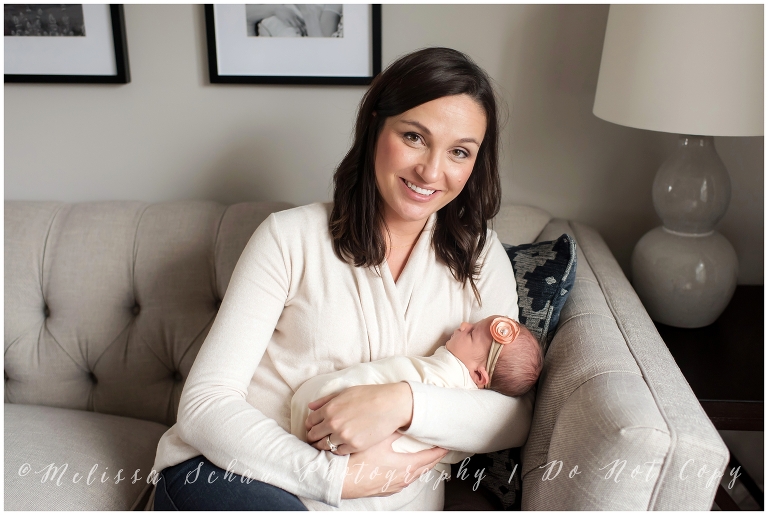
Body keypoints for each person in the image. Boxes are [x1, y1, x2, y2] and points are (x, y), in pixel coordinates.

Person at [151, 47, 534, 511]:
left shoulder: (479, 254)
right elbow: (205, 405)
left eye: (459, 152)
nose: (432, 171)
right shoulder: (289, 237)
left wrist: (401, 402)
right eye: (414, 137)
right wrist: (332, 476)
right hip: (238, 474)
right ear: (376, 125)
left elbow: (510, 415)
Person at [290, 316, 542, 467]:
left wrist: (405, 405)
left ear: (478, 375)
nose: (464, 324)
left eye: (472, 332)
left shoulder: (447, 376)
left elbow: (515, 419)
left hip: (322, 408)